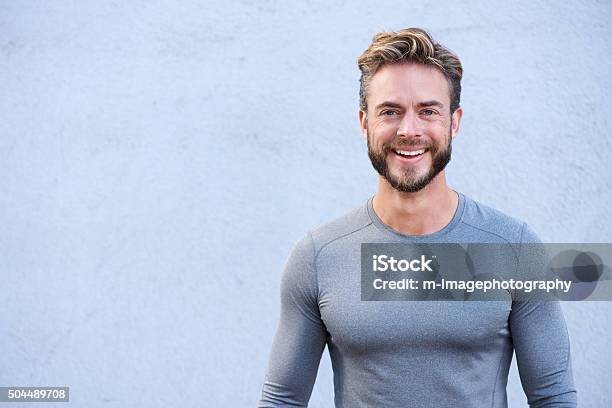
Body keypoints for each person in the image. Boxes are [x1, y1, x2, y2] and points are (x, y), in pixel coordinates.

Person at [257, 28, 576, 407]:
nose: (409, 130)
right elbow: (283, 400)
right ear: (364, 123)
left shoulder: (515, 249)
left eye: (428, 111)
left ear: (454, 122)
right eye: (390, 111)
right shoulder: (318, 256)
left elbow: (553, 397)